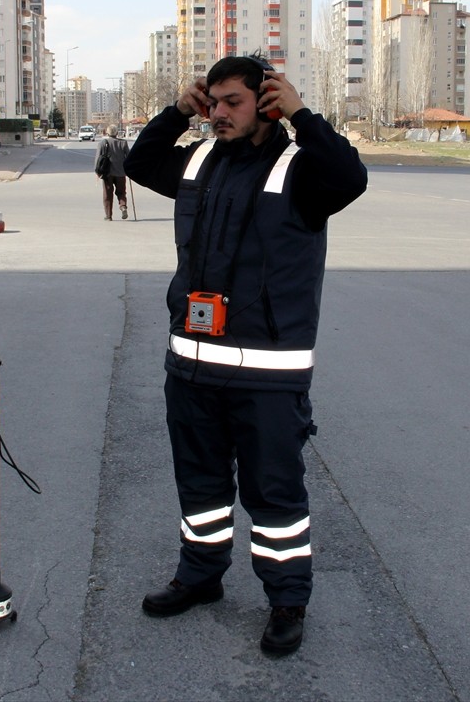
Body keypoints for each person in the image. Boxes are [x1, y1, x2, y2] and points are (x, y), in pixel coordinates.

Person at [123, 54, 367, 656]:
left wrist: (304, 114)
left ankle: (287, 601)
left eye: (233, 102)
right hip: (192, 367)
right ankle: (200, 576)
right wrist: (177, 110)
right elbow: (140, 163)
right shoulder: (199, 160)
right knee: (200, 485)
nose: (219, 113)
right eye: (213, 102)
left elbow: (350, 177)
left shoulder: (301, 171)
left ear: (267, 102)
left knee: (274, 495)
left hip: (267, 378)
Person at [94, 125, 130, 220]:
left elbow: (98, 159)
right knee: (121, 192)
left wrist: (97, 171)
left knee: (108, 194)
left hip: (107, 173)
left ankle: (108, 215)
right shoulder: (123, 143)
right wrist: (129, 170)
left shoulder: (102, 143)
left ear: (107, 133)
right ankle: (123, 206)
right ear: (117, 133)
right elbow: (129, 157)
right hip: (121, 173)